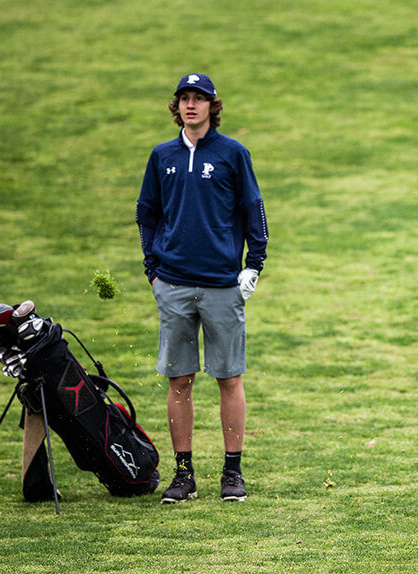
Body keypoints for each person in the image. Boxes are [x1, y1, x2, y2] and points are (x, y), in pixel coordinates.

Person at [136, 73, 268, 503]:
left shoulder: (233, 153)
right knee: (180, 380)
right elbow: (147, 213)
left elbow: (253, 208)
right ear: (177, 107)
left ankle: (232, 473)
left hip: (222, 285)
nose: (192, 105)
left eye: (200, 99)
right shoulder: (162, 156)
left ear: (213, 106)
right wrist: (152, 269)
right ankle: (183, 473)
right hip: (172, 284)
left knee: (228, 377)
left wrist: (254, 264)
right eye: (185, 98)